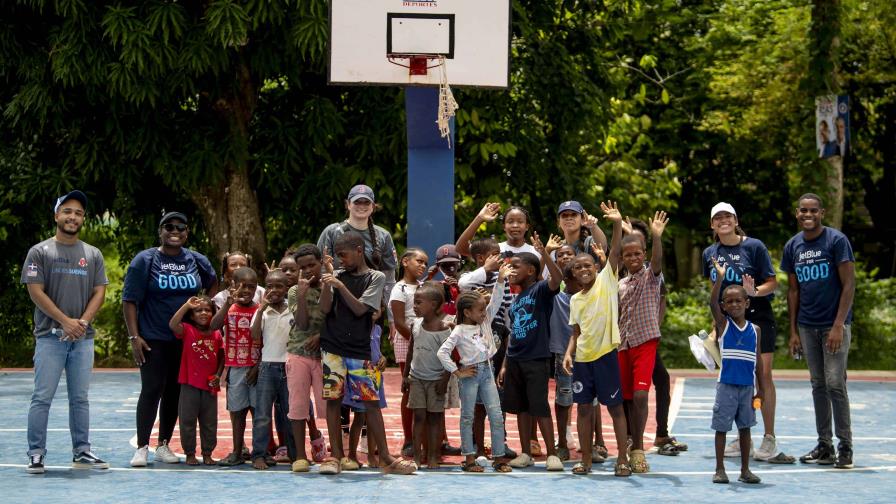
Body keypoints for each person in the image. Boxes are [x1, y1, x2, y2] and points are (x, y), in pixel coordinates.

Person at [22, 190, 109, 474]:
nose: (73, 217)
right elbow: (36, 292)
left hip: (82, 338)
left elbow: (100, 292)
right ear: (57, 215)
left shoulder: (92, 254)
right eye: (68, 211)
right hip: (50, 336)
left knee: (80, 398)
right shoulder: (39, 251)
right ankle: (36, 453)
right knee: (42, 396)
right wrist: (64, 322)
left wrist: (81, 322)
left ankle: (81, 451)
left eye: (79, 213)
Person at [123, 211, 218, 467]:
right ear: (161, 231)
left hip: (186, 339)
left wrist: (202, 311)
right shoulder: (145, 260)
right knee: (152, 389)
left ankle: (163, 444)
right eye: (169, 227)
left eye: (181, 227)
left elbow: (213, 283)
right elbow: (129, 300)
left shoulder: (196, 259)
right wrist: (134, 336)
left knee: (175, 392)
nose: (175, 231)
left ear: (187, 232)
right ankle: (142, 447)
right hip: (153, 337)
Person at [317, 232, 416, 475]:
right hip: (332, 347)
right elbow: (324, 308)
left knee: (370, 401)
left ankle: (384, 457)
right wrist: (329, 283)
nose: (341, 261)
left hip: (360, 349)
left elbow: (361, 309)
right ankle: (336, 457)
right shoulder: (336, 276)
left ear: (359, 250)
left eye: (344, 255)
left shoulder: (376, 277)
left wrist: (339, 285)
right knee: (333, 399)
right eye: (337, 256)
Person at [702, 202, 788, 462]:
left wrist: (755, 292)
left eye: (727, 216)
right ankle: (743, 436)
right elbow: (713, 291)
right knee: (739, 378)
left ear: (736, 220)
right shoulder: (709, 253)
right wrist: (714, 327)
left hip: (758, 317)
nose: (723, 221)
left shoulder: (754, 246)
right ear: (712, 225)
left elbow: (772, 282)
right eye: (718, 218)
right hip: (729, 323)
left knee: (763, 375)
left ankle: (769, 438)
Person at [782, 193, 855, 469]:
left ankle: (845, 446)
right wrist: (793, 331)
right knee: (818, 384)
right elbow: (793, 290)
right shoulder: (793, 246)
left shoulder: (836, 241)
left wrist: (839, 325)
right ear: (797, 213)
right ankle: (824, 446)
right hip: (807, 325)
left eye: (813, 210)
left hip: (834, 325)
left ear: (822, 213)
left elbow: (849, 285)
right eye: (803, 210)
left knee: (835, 382)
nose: (808, 214)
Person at [562, 201, 630, 477]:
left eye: (588, 265)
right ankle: (586, 460)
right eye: (579, 268)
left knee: (614, 408)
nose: (584, 270)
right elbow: (576, 331)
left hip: (605, 357)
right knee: (583, 411)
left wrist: (615, 222)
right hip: (583, 359)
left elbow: (614, 251)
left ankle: (622, 459)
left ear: (596, 266)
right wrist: (569, 352)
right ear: (574, 274)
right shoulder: (575, 299)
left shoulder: (606, 281)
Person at [439, 266, 514, 473]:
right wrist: (457, 371)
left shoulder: (486, 321)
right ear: (467, 312)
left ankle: (499, 459)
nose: (484, 312)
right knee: (467, 416)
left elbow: (496, 301)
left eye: (484, 309)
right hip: (469, 375)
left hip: (487, 371)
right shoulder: (459, 331)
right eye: (480, 310)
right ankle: (469, 459)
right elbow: (442, 353)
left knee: (496, 415)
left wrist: (500, 281)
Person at [498, 233, 564, 471]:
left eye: (516, 266)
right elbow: (514, 332)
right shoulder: (516, 301)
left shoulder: (540, 291)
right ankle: (525, 452)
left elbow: (558, 279)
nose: (510, 269)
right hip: (515, 358)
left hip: (536, 358)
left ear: (531, 272)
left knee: (539, 406)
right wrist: (505, 363)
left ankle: (552, 454)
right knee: (521, 408)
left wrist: (544, 253)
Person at [623, 218, 685, 455]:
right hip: (625, 340)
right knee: (627, 391)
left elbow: (662, 298)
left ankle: (660, 432)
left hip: (645, 337)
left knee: (658, 381)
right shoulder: (621, 275)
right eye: (630, 240)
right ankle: (630, 435)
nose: (634, 251)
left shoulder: (651, 273)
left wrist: (654, 328)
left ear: (644, 248)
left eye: (639, 240)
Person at [617, 211, 669, 474]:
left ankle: (638, 449)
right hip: (622, 345)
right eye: (629, 255)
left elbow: (657, 261)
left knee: (639, 395)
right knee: (626, 398)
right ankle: (628, 441)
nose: (634, 258)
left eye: (638, 253)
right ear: (623, 259)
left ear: (645, 255)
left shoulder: (651, 277)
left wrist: (657, 236)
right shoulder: (621, 284)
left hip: (644, 342)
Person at [709, 258, 764, 484]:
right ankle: (720, 468)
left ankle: (745, 470)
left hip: (747, 388)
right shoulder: (724, 325)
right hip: (727, 386)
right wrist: (720, 278)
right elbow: (712, 302)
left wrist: (760, 390)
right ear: (723, 306)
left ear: (747, 303)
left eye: (738, 301)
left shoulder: (756, 330)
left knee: (745, 428)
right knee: (721, 428)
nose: (734, 305)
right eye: (728, 302)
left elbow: (758, 362)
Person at [208, 267, 261, 466]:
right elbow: (213, 326)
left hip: (257, 369)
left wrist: (258, 367)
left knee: (258, 412)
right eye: (242, 286)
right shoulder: (228, 309)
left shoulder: (260, 310)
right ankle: (237, 451)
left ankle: (259, 452)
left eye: (251, 287)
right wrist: (227, 305)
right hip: (236, 369)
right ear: (232, 285)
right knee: (237, 412)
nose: (247, 290)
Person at [286, 244, 328, 472]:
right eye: (303, 268)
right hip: (298, 353)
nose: (308, 270)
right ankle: (300, 456)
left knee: (328, 404)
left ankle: (333, 452)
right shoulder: (294, 291)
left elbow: (335, 318)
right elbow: (301, 323)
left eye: (312, 264)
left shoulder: (330, 286)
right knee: (298, 405)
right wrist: (301, 294)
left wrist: (321, 336)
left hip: (325, 355)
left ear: (321, 262)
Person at [168, 296, 224, 466]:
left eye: (208, 310)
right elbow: (172, 324)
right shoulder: (187, 330)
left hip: (209, 386)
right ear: (192, 315)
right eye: (199, 310)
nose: (204, 313)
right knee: (187, 421)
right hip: (189, 384)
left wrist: (218, 375)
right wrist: (186, 305)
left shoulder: (216, 333)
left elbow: (221, 357)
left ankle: (207, 453)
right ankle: (190, 453)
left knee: (209, 422)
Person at [402, 282, 452, 468]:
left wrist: (444, 380)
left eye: (419, 302)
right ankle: (417, 456)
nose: (414, 306)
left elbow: (450, 358)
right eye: (414, 302)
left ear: (433, 305)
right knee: (419, 416)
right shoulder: (415, 324)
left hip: (436, 381)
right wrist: (405, 376)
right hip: (416, 379)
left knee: (434, 418)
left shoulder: (443, 329)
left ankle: (433, 455)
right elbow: (410, 351)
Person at [249, 269, 294, 469]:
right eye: (269, 286)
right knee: (262, 415)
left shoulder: (293, 309)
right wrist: (260, 310)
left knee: (290, 413)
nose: (273, 290)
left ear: (286, 289)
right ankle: (259, 455)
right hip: (267, 366)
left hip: (289, 366)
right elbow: (255, 335)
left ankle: (295, 454)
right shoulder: (262, 311)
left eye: (278, 286)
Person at [389, 247, 429, 455]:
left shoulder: (425, 287)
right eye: (419, 261)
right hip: (407, 341)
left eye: (425, 262)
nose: (423, 265)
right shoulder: (399, 289)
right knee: (410, 390)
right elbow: (399, 321)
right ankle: (408, 440)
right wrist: (417, 342)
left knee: (426, 390)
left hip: (426, 342)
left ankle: (427, 439)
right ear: (405, 262)